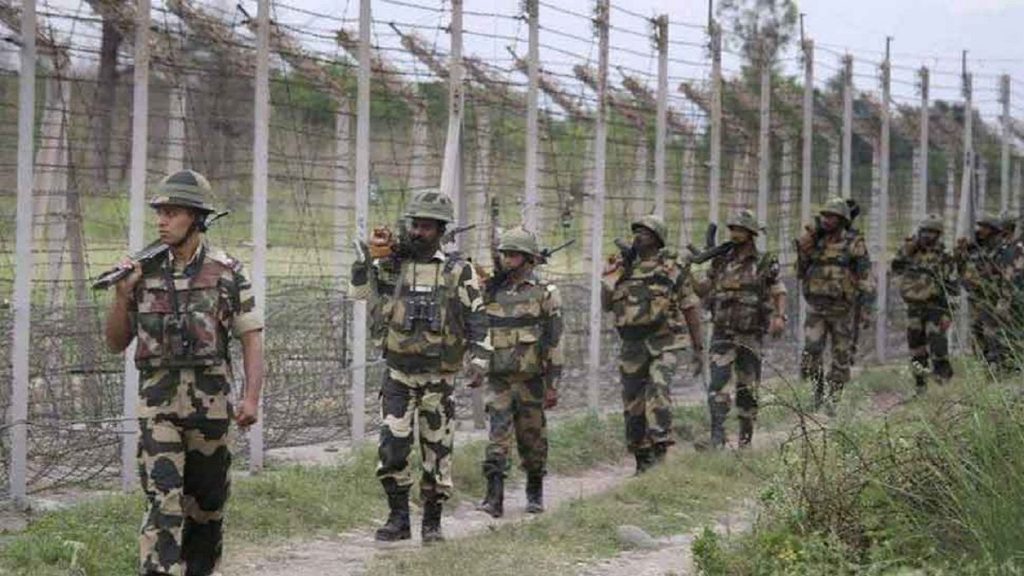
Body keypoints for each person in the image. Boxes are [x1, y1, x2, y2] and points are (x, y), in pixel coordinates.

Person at [104, 170, 264, 576]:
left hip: (211, 408)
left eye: (171, 213)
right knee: (163, 500)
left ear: (196, 218)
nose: (161, 221)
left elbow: (251, 337)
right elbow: (116, 342)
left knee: (206, 507)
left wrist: (251, 398)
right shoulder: (141, 272)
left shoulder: (227, 271)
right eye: (159, 212)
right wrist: (122, 296)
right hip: (158, 407)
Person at [349, 188, 490, 543]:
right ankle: (398, 519)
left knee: (436, 452)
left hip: (438, 378)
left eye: (427, 227)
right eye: (415, 225)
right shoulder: (392, 265)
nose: (418, 232)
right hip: (398, 375)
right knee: (392, 447)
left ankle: (432, 523)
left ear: (441, 230)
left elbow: (477, 315)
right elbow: (361, 295)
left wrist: (479, 358)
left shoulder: (459, 270)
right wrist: (365, 260)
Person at [602, 215, 703, 473]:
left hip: (665, 342)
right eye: (636, 231)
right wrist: (612, 275)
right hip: (632, 345)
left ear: (657, 238)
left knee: (659, 390)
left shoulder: (671, 268)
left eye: (645, 232)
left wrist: (698, 348)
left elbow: (689, 306)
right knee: (633, 403)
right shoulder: (622, 267)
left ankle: (660, 449)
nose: (638, 236)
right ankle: (642, 458)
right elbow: (606, 304)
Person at [476, 227, 562, 518]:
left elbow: (554, 340)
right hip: (499, 379)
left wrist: (553, 384)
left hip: (531, 380)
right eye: (505, 254)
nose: (507, 260)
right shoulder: (491, 291)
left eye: (513, 255)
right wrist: (474, 366)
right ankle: (494, 497)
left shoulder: (545, 293)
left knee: (532, 438)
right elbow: (477, 331)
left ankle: (534, 491)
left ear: (528, 259)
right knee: (497, 437)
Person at [698, 210, 786, 448]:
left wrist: (779, 316)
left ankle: (745, 438)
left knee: (747, 389)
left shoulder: (764, 262)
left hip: (750, 335)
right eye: (732, 229)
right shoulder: (721, 261)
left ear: (750, 234)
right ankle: (717, 437)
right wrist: (689, 276)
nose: (734, 234)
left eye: (740, 230)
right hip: (722, 333)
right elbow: (704, 288)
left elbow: (778, 290)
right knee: (718, 384)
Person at [796, 197, 874, 412]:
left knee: (841, 356)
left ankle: (834, 398)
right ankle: (817, 392)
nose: (826, 220)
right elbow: (801, 271)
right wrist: (803, 249)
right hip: (816, 308)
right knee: (811, 351)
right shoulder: (816, 242)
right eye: (825, 216)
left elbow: (865, 277)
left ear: (842, 220)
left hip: (842, 310)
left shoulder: (853, 243)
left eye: (832, 216)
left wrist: (866, 309)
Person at [891, 214, 958, 393]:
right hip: (914, 307)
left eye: (932, 232)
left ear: (938, 234)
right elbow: (896, 266)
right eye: (924, 231)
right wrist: (907, 249)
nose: (927, 235)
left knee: (938, 346)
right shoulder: (911, 253)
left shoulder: (944, 256)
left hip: (936, 307)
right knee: (916, 348)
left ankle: (944, 384)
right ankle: (920, 386)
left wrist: (949, 313)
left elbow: (952, 286)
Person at [956, 214, 1008, 368]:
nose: (980, 230)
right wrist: (961, 252)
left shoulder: (1000, 250)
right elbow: (962, 269)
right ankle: (984, 366)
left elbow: (1004, 277)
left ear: (993, 230)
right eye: (980, 227)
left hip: (992, 299)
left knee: (991, 333)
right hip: (976, 299)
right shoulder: (976, 249)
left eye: (985, 227)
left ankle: (998, 366)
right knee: (977, 332)